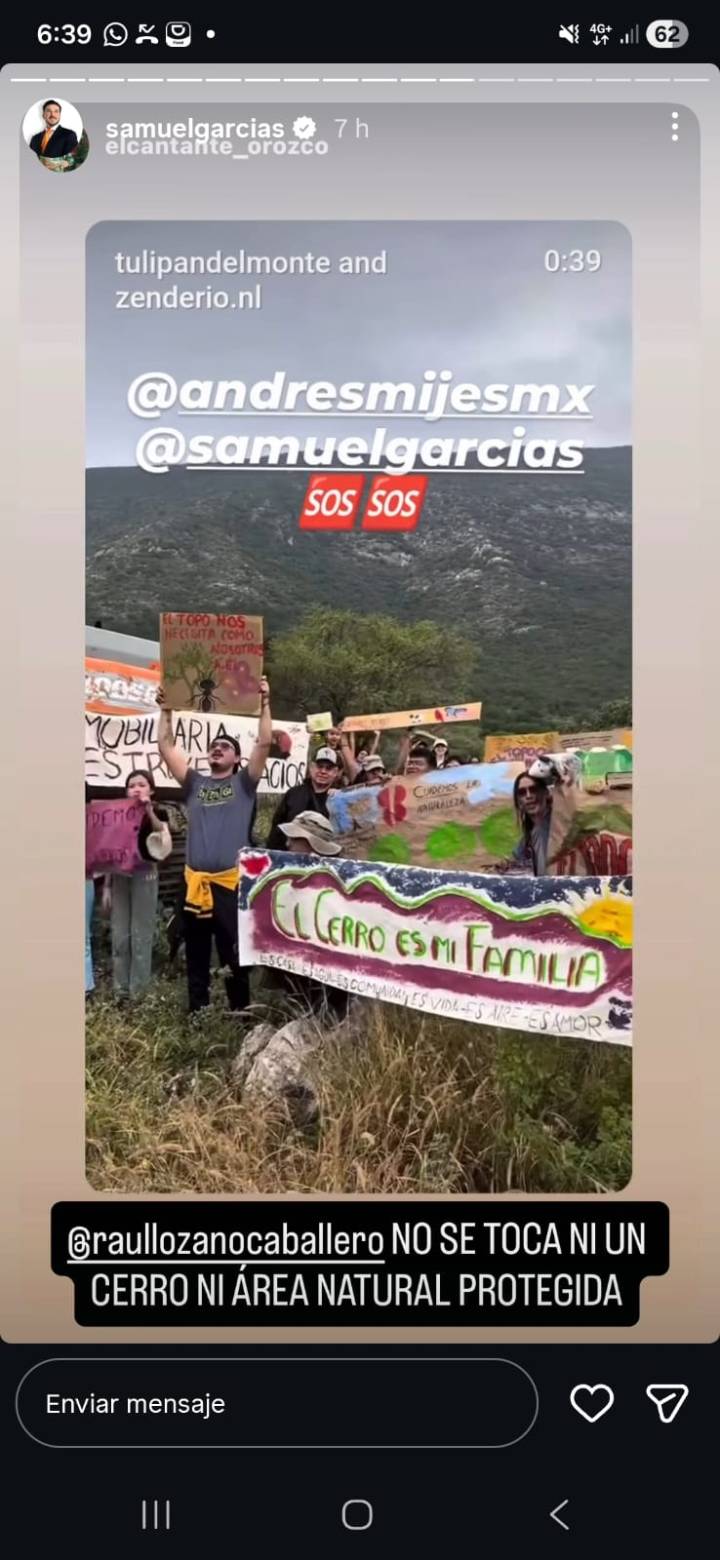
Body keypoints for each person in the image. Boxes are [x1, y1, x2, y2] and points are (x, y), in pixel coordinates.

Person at [156, 677, 273, 1013]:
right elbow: (165, 746)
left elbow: (264, 743)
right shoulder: (194, 783)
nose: (217, 748)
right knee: (195, 953)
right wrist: (166, 710)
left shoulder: (244, 783)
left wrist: (265, 703)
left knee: (233, 954)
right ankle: (198, 1014)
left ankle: (240, 1014)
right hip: (195, 885)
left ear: (237, 758)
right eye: (214, 745)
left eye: (225, 746)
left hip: (228, 886)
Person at [265, 810, 348, 1018]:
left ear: (311, 843)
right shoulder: (284, 873)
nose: (287, 844)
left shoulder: (340, 876)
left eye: (294, 839)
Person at [101, 771, 172, 1001]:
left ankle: (138, 993)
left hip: (145, 875)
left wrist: (148, 809)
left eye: (142, 784)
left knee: (141, 935)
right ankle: (120, 991)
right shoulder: (117, 815)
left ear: (151, 790)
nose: (136, 789)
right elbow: (111, 852)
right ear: (125, 791)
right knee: (121, 934)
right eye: (131, 786)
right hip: (121, 875)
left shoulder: (158, 812)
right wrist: (107, 887)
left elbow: (163, 838)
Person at [266, 746, 341, 849]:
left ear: (335, 772)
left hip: (323, 859)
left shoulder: (339, 799)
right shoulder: (293, 793)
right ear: (311, 767)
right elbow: (277, 827)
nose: (323, 771)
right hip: (289, 856)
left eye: (328, 768)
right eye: (319, 766)